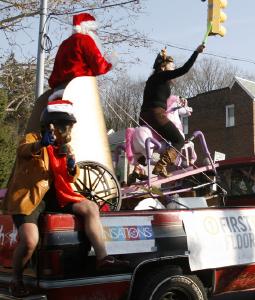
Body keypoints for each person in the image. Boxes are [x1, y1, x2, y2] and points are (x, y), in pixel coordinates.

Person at [1, 101, 128, 297]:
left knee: (90, 207)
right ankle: (16, 280)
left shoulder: (63, 146)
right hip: (30, 197)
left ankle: (103, 257)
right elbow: (23, 151)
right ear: (50, 124)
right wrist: (39, 144)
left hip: (56, 196)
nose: (65, 130)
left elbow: (69, 178)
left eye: (66, 126)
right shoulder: (32, 138)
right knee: (29, 241)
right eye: (62, 125)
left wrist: (71, 165)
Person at [140, 45, 205, 177]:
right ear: (163, 67)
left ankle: (140, 164)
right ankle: (161, 165)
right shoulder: (161, 76)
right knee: (179, 140)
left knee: (161, 141)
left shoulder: (152, 80)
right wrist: (196, 52)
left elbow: (162, 98)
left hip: (143, 116)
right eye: (172, 66)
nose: (174, 68)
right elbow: (184, 69)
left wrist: (179, 100)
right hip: (155, 114)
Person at [48, 13, 116, 98]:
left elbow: (55, 70)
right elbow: (99, 67)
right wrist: (111, 62)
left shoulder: (64, 43)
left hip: (59, 90)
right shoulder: (85, 40)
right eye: (94, 30)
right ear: (88, 28)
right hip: (80, 88)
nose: (96, 33)